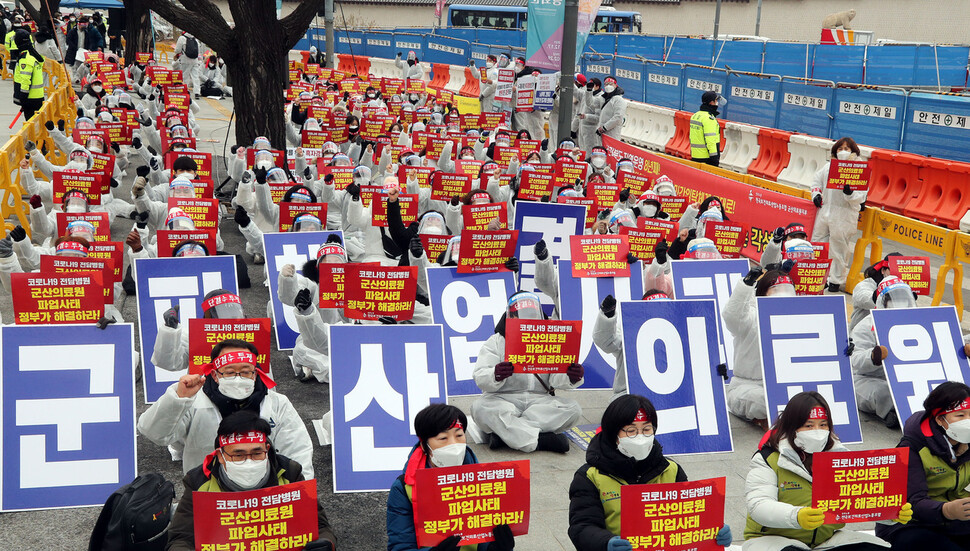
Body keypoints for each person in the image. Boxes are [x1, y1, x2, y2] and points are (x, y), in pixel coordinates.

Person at [743, 391, 909, 550]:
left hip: (825, 540)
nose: (817, 431)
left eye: (823, 425)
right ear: (791, 427)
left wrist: (892, 513)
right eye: (808, 426)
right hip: (773, 540)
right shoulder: (768, 458)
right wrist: (796, 516)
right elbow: (758, 505)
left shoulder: (841, 459)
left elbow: (860, 503)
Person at [568, 395, 733, 551]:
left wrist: (712, 529)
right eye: (631, 431)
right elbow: (581, 526)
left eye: (646, 429)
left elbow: (687, 517)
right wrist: (606, 543)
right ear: (614, 435)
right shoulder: (590, 476)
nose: (640, 437)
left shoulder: (671, 470)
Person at [137, 339, 316, 478]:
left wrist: (301, 492)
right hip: (208, 492)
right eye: (230, 372)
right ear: (215, 375)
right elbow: (154, 433)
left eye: (246, 371)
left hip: (265, 494)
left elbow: (298, 450)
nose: (238, 378)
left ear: (256, 373)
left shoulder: (277, 403)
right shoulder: (193, 402)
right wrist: (177, 398)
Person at [165, 410, 337, 551]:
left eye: (257, 453)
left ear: (267, 449)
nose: (249, 461)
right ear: (221, 455)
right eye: (238, 455)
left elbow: (320, 526)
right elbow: (180, 537)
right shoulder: (198, 482)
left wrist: (326, 543)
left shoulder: (290, 473)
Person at [386, 403, 516, 551]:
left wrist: (496, 548)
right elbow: (400, 546)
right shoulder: (404, 488)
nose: (454, 444)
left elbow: (483, 538)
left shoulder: (484, 483)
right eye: (443, 438)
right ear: (424, 445)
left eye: (459, 435)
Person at [470, 291, 584, 453]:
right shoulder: (495, 341)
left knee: (573, 409)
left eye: (532, 315)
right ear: (511, 317)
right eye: (521, 316)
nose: (528, 320)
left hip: (539, 402)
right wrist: (495, 374)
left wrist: (571, 376)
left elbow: (556, 380)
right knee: (480, 408)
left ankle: (507, 435)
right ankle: (542, 441)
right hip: (502, 399)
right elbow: (480, 376)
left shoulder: (551, 338)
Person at [876, 382, 970, 549]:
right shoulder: (913, 446)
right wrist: (946, 510)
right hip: (910, 523)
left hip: (956, 521)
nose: (968, 421)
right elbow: (914, 501)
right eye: (960, 415)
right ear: (940, 419)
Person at [724, 268, 796, 428]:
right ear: (763, 293)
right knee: (766, 401)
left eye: (787, 289)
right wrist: (745, 286)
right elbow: (732, 316)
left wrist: (844, 348)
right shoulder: (751, 317)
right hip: (746, 387)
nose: (783, 294)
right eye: (777, 289)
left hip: (785, 386)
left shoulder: (798, 318)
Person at [850, 276, 918, 429]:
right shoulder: (867, 325)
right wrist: (873, 356)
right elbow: (854, 359)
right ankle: (891, 412)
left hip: (907, 377)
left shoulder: (918, 323)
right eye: (894, 299)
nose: (900, 302)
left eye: (903, 298)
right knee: (882, 393)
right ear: (883, 301)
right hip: (870, 377)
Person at [811, 137, 866, 292]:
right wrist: (816, 195)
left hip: (844, 215)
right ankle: (819, 276)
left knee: (838, 250)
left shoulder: (859, 169)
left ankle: (835, 280)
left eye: (847, 149)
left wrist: (850, 193)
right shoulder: (828, 167)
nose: (843, 152)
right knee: (818, 244)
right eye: (840, 149)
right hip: (825, 212)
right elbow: (816, 182)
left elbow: (861, 197)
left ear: (854, 151)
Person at [12, 30, 44, 120]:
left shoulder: (25, 58)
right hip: (37, 96)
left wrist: (23, 97)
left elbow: (26, 79)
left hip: (30, 98)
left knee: (31, 125)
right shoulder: (32, 54)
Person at [690, 91, 721, 166]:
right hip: (706, 157)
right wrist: (714, 158)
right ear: (711, 102)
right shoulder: (709, 118)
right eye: (716, 100)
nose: (717, 102)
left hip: (695, 155)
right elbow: (710, 140)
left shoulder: (695, 116)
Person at [595, 77, 627, 147]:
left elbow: (618, 117)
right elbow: (590, 104)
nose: (608, 86)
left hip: (612, 134)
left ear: (615, 85)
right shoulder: (603, 98)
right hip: (602, 134)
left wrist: (604, 128)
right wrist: (588, 91)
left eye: (610, 84)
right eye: (606, 84)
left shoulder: (619, 100)